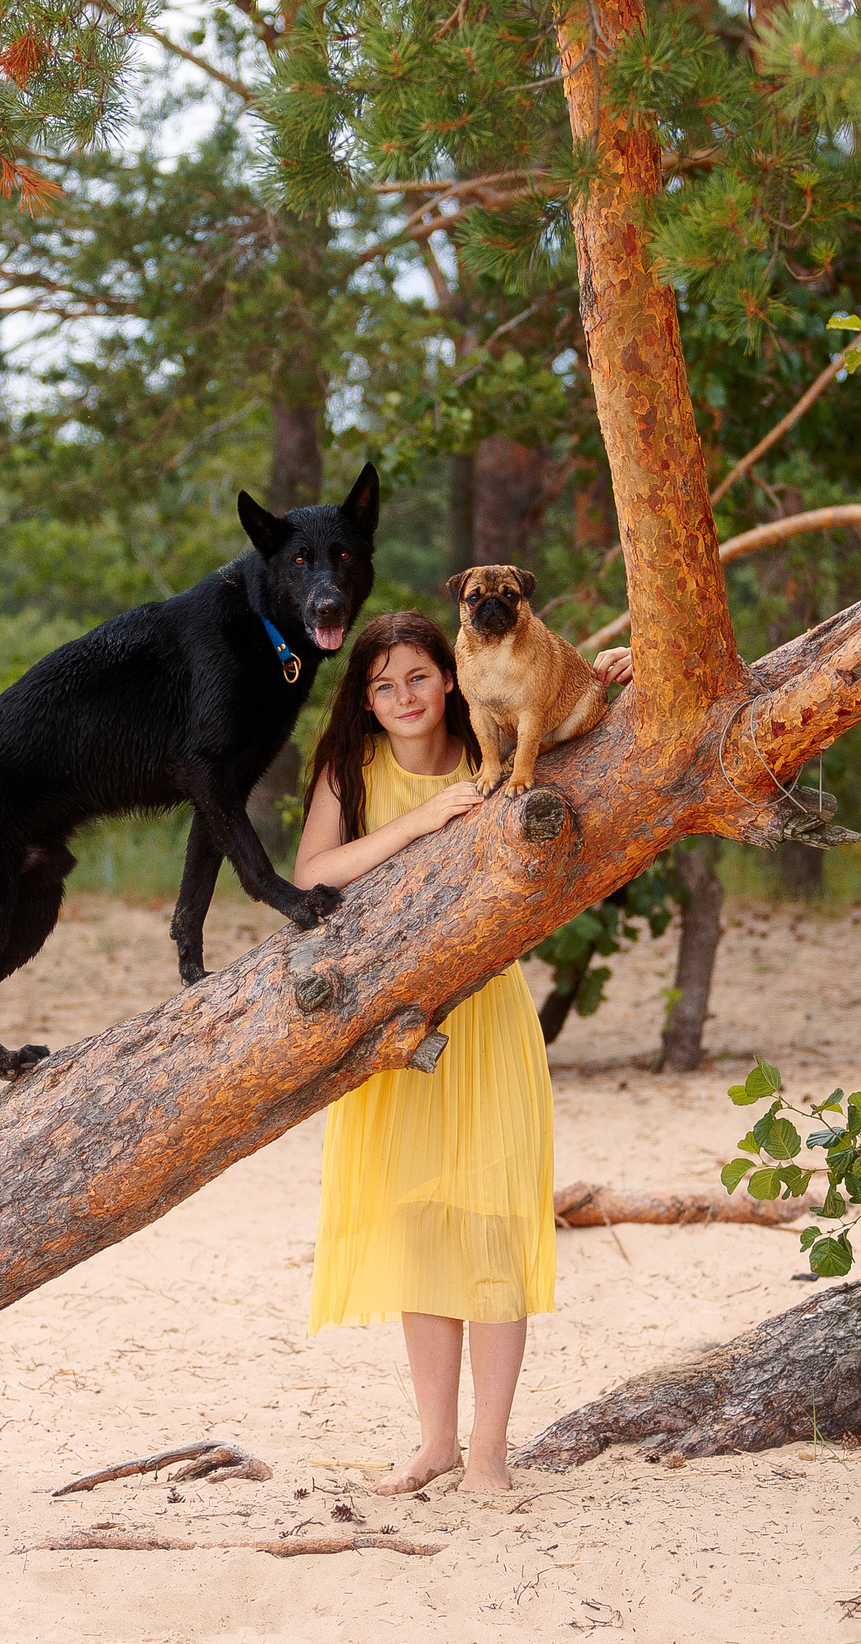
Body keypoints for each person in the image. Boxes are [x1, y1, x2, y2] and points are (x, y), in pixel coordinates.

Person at [295, 609, 629, 1493]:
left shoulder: (501, 751)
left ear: (453, 676)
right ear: (366, 699)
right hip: (392, 1029)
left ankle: (488, 1450)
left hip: (486, 1021)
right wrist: (425, 818)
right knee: (418, 1230)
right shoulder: (350, 769)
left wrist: (610, 676)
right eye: (383, 684)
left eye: (418, 677)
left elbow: (579, 718)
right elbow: (311, 873)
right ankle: (435, 1440)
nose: (404, 696)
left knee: (493, 1224)